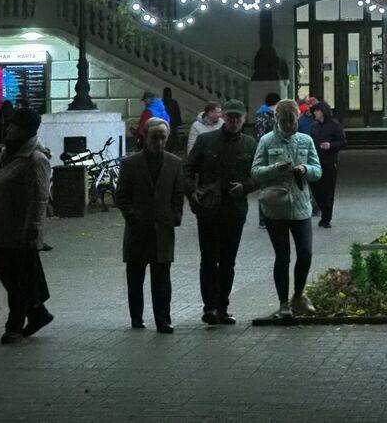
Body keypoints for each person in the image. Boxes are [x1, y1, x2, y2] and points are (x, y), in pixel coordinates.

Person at [0, 107, 53, 344]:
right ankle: (37, 312)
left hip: (18, 231)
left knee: (16, 279)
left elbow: (39, 198)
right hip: (1, 227)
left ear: (23, 130)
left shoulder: (34, 159)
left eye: (13, 125)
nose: (8, 128)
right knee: (6, 272)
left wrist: (32, 230)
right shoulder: (8, 153)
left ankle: (14, 326)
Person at [183, 99, 257, 326]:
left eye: (237, 118)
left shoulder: (250, 145)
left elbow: (259, 175)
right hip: (208, 210)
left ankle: (222, 307)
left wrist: (245, 187)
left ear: (244, 119)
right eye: (230, 117)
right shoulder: (206, 141)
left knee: (227, 261)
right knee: (208, 259)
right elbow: (188, 169)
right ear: (224, 117)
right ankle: (210, 307)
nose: (233, 121)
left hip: (235, 210)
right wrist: (192, 194)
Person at [252, 98, 322, 317]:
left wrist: (305, 169)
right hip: (276, 208)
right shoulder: (266, 141)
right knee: (282, 257)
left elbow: (318, 170)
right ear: (277, 120)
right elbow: (255, 171)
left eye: (292, 121)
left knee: (305, 253)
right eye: (285, 122)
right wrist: (275, 168)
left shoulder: (306, 140)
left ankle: (298, 295)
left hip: (301, 206)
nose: (290, 126)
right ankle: (283, 303)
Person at [116, 117, 184, 333]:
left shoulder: (174, 163)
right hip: (137, 230)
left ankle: (163, 320)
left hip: (163, 230)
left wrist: (175, 216)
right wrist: (132, 216)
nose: (159, 142)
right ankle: (136, 317)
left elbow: (178, 193)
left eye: (163, 138)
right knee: (135, 278)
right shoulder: (130, 164)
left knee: (162, 279)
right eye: (155, 138)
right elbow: (121, 196)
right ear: (145, 138)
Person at [310, 101, 346, 227]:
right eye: (314, 111)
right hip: (315, 161)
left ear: (323, 111)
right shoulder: (314, 126)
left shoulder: (334, 125)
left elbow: (343, 142)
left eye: (317, 111)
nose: (315, 113)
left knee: (328, 190)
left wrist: (330, 145)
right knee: (315, 188)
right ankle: (322, 209)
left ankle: (326, 218)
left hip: (329, 161)